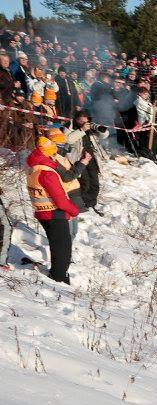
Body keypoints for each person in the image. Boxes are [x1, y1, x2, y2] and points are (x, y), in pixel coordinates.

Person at [26, 136, 80, 284]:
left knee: (57, 246)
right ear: (48, 154)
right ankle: (59, 279)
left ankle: (58, 274)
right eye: (53, 153)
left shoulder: (34, 168)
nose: (55, 156)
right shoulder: (47, 173)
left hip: (42, 212)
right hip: (54, 214)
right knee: (63, 249)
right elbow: (60, 200)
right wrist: (74, 210)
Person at [66, 111, 109, 215]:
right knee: (84, 182)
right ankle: (83, 203)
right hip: (78, 159)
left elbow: (104, 135)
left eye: (86, 121)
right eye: (81, 121)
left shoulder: (90, 127)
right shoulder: (70, 127)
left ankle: (92, 203)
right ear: (76, 120)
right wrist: (81, 130)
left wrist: (101, 129)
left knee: (94, 182)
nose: (84, 123)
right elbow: (68, 140)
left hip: (91, 158)